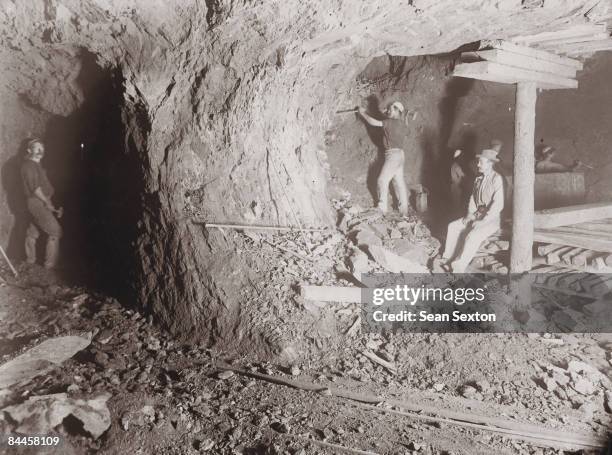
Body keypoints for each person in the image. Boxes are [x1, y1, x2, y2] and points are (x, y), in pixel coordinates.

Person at [441, 148, 504, 273]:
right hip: (477, 215)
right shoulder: (478, 179)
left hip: (492, 218)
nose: (478, 164)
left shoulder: (496, 179)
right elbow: (472, 199)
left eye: (481, 162)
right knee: (453, 226)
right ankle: (447, 258)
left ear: (490, 163)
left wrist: (483, 221)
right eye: (478, 162)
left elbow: (498, 205)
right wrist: (469, 214)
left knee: (472, 236)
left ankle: (457, 267)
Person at [358, 101, 409, 215]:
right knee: (400, 183)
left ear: (396, 111)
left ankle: (382, 208)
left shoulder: (390, 122)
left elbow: (373, 122)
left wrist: (363, 113)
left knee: (382, 180)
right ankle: (404, 211)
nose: (388, 111)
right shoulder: (402, 124)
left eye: (390, 109)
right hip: (401, 155)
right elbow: (406, 129)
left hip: (393, 155)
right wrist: (387, 113)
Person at [21, 138, 62, 269]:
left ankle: (30, 261)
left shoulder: (37, 165)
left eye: (42, 148)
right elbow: (35, 188)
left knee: (33, 232)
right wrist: (46, 202)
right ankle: (49, 267)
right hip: (37, 203)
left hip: (40, 201)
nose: (40, 150)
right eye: (36, 148)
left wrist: (48, 201)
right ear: (29, 150)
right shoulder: (29, 165)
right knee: (55, 231)